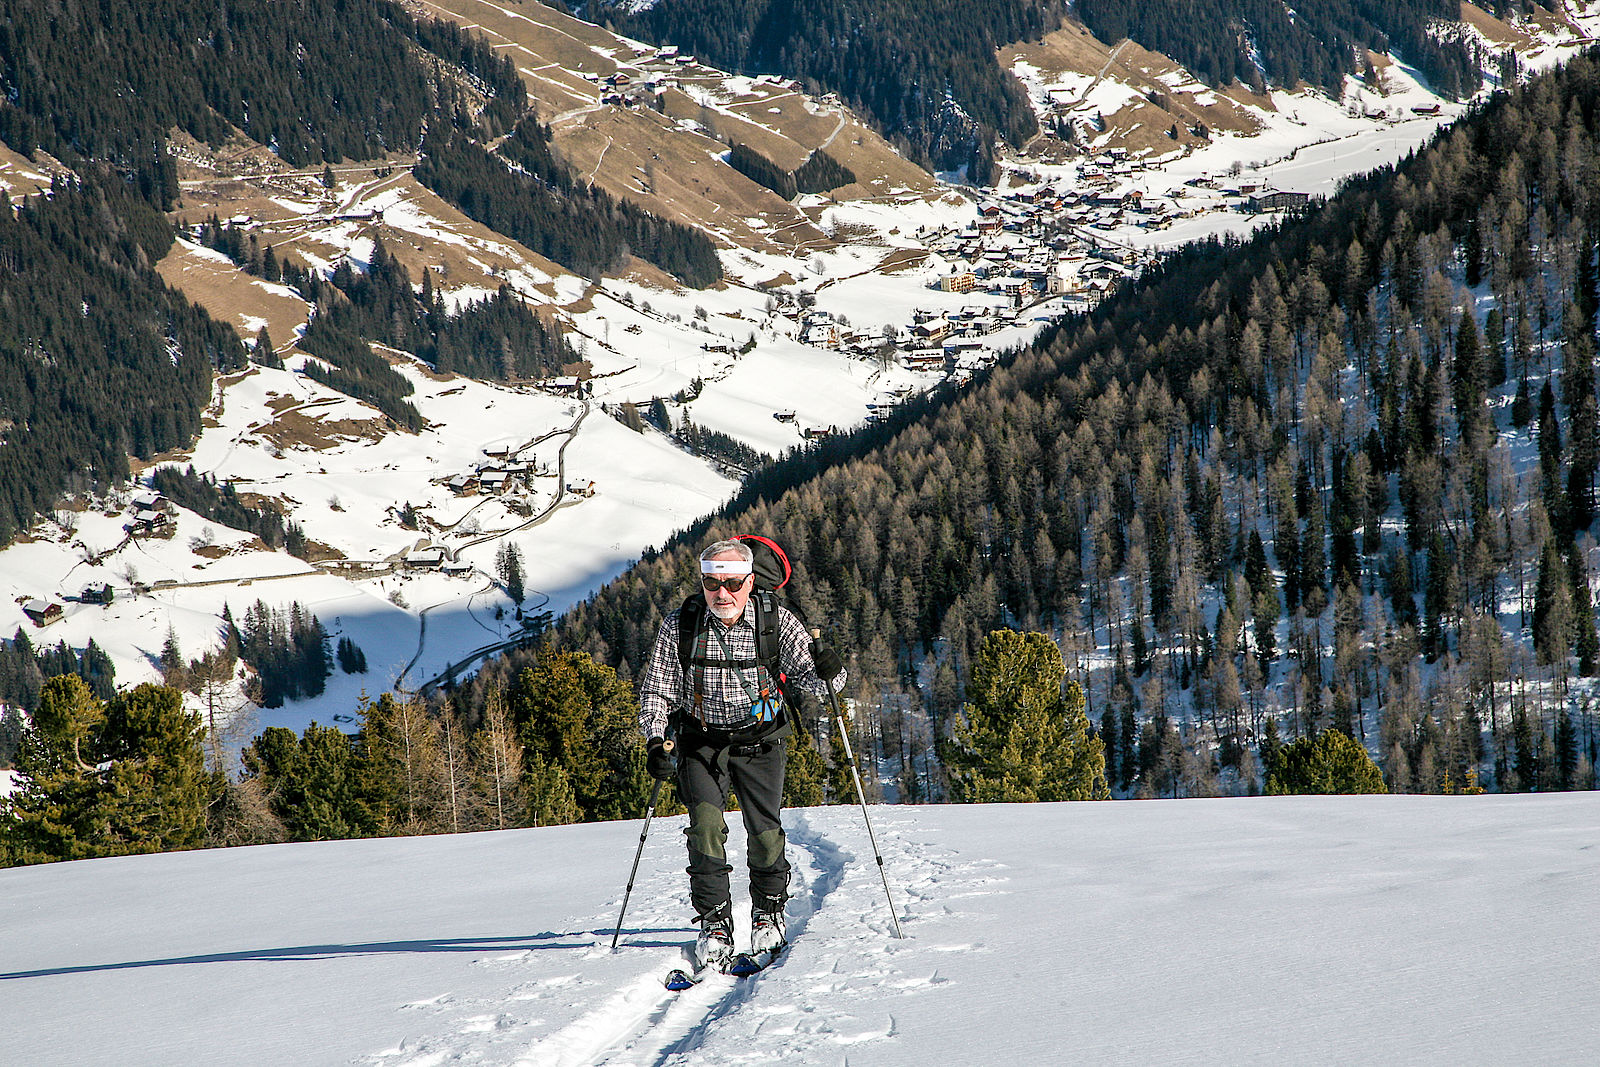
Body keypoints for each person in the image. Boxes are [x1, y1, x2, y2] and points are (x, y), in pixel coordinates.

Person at [637, 537, 843, 968]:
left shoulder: (776, 621)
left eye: (731, 582)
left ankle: (768, 913)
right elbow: (658, 691)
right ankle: (714, 923)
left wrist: (830, 669)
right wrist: (657, 741)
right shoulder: (681, 625)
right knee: (705, 827)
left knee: (765, 830)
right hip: (700, 739)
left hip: (761, 739)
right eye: (712, 584)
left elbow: (818, 681)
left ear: (750, 581)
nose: (722, 594)